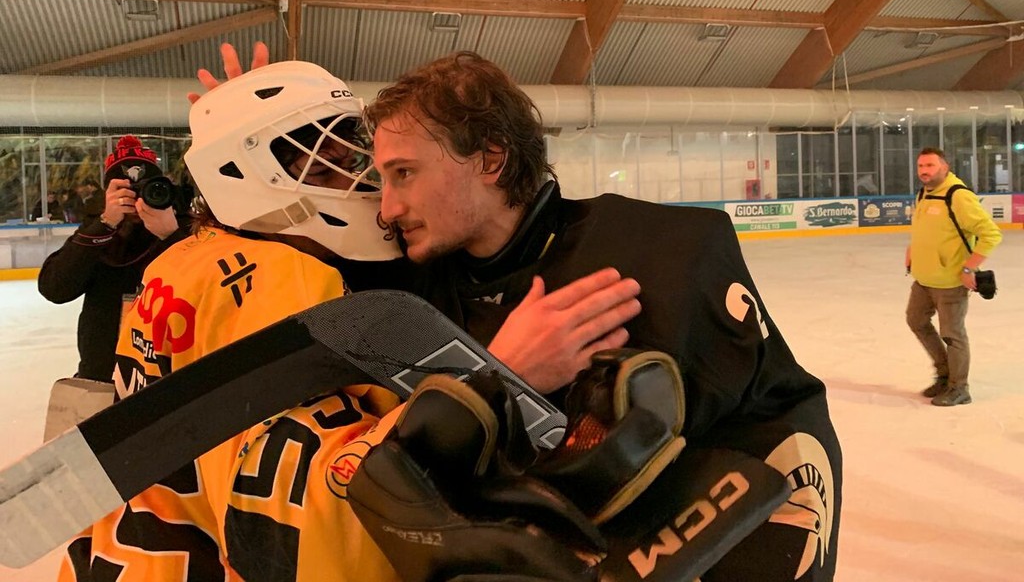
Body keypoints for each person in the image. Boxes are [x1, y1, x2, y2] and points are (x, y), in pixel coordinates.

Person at [59, 57, 638, 582]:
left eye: (356, 163)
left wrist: (243, 124)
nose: (367, 193)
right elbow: (304, 532)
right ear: (249, 179)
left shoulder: (184, 260)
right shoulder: (286, 279)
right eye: (328, 169)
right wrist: (491, 383)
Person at [362, 51, 844, 581]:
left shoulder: (661, 254)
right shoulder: (409, 292)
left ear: (490, 160)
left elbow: (773, 433)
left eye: (404, 173)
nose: (387, 208)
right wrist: (503, 374)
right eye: (383, 178)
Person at [38, 137, 190, 382]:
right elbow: (54, 288)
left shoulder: (183, 230)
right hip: (104, 373)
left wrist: (171, 235)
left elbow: (209, 287)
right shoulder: (96, 234)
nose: (137, 199)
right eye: (126, 192)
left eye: (147, 189)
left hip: (169, 374)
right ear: (108, 195)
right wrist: (106, 224)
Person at [905, 147, 1002, 407]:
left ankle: (959, 388)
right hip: (924, 279)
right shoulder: (924, 193)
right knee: (916, 320)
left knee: (952, 334)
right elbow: (927, 230)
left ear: (945, 167)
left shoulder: (957, 196)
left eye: (930, 166)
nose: (924, 171)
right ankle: (945, 374)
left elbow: (991, 234)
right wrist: (912, 249)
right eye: (921, 166)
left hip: (950, 282)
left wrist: (969, 268)